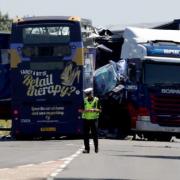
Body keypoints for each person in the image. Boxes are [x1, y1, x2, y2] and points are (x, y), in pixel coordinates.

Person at [79, 88, 101, 153]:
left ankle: (96, 148)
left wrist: (93, 110)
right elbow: (80, 110)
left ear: (91, 94)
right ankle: (87, 149)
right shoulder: (84, 100)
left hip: (94, 120)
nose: (87, 96)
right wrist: (85, 110)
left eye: (88, 94)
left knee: (95, 134)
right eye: (86, 94)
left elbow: (100, 110)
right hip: (86, 119)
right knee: (85, 135)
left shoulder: (96, 100)